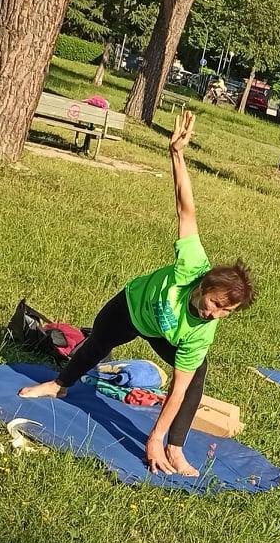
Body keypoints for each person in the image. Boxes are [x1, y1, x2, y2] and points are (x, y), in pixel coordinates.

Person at [18, 113, 253, 477]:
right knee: (97, 342)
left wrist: (155, 438)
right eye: (216, 304)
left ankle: (175, 447)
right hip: (132, 307)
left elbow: (176, 388)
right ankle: (59, 384)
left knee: (193, 375)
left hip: (164, 333)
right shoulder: (192, 264)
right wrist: (176, 154)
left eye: (227, 312)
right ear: (205, 286)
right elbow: (184, 207)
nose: (216, 314)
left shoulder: (202, 330)